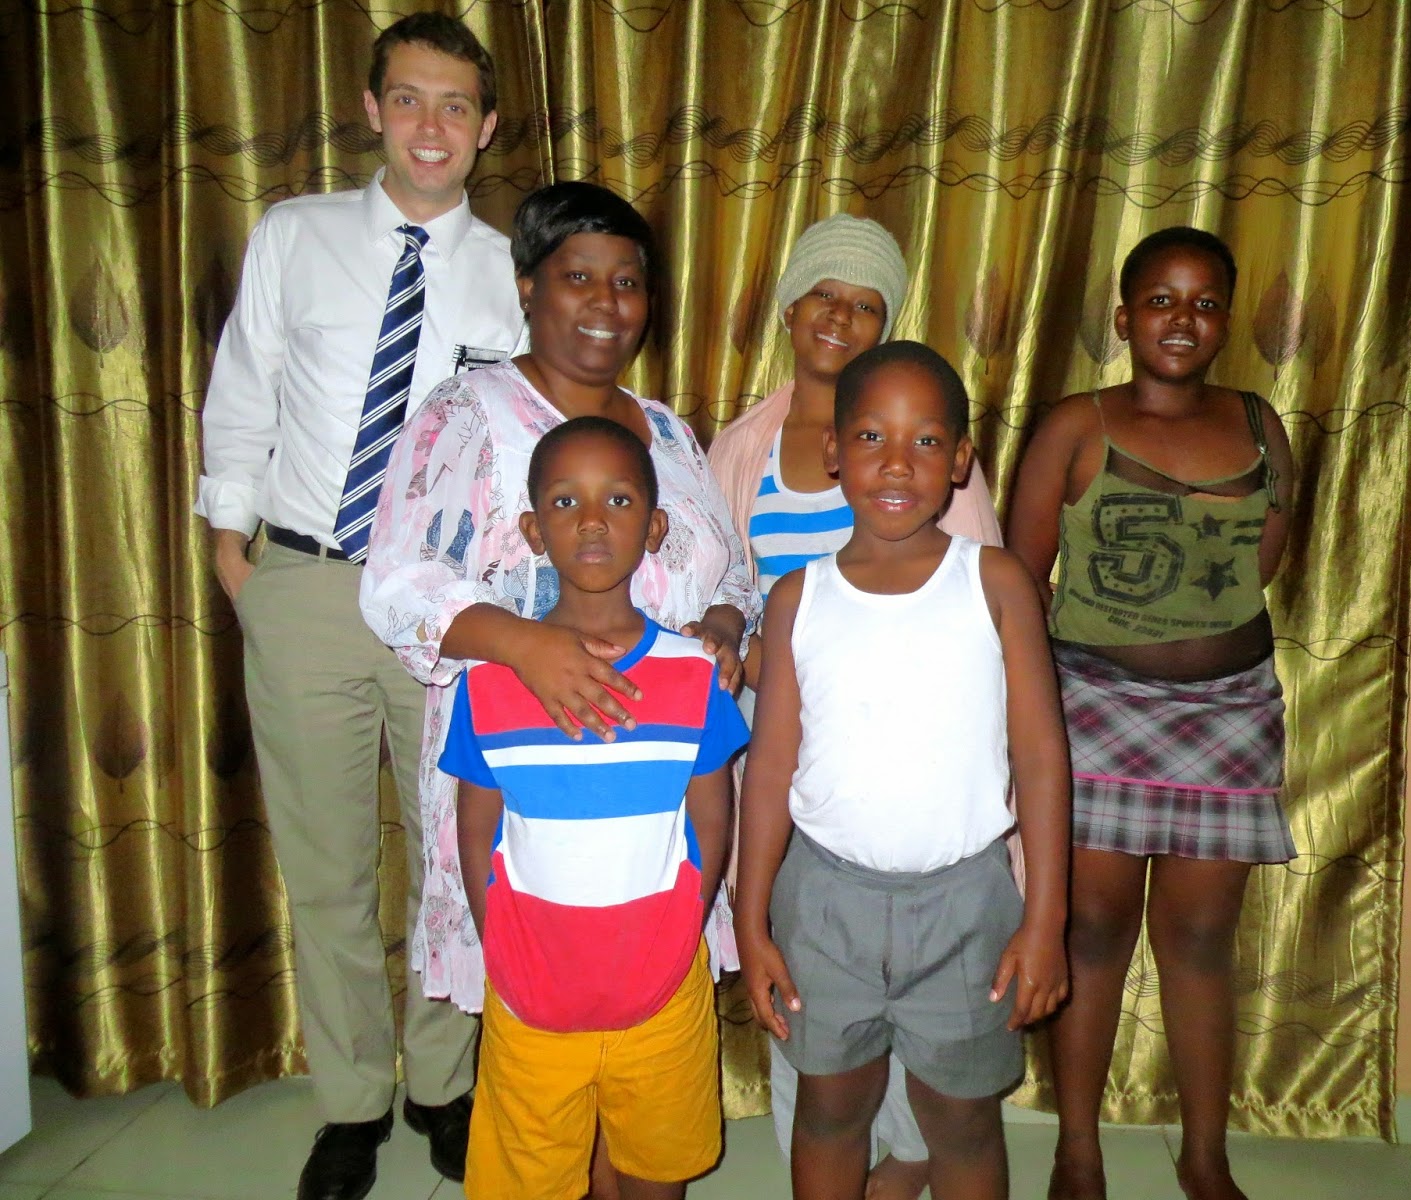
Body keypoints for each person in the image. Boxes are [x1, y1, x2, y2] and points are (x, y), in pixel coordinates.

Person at [358, 181, 757, 1196]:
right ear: (529, 287)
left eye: (627, 282)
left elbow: (729, 569)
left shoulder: (664, 433)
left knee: (644, 1043)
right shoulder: (468, 414)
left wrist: (723, 625)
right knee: (551, 1053)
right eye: (578, 276)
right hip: (531, 791)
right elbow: (396, 581)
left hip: (657, 799)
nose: (605, 303)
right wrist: (525, 646)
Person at [194, 14, 517, 1199]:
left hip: (446, 605)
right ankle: (350, 1105)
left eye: (456, 106)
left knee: (452, 856)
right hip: (305, 581)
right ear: (374, 109)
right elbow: (244, 391)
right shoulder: (297, 235)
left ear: (486, 128)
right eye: (410, 99)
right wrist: (234, 552)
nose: (432, 126)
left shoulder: (512, 272)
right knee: (327, 867)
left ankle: (442, 1083)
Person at [708, 213, 1003, 1198]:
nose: (839, 316)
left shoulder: (921, 455)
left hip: (912, 765)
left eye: (865, 304)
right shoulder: (742, 445)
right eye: (823, 295)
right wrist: (734, 638)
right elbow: (723, 581)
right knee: (815, 994)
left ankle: (908, 1156)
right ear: (789, 307)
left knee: (927, 1012)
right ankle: (836, 1150)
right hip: (787, 752)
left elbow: (977, 623)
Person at [735, 342, 1071, 1200]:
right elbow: (769, 770)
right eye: (871, 437)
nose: (896, 462)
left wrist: (1045, 919)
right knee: (830, 1110)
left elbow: (1042, 761)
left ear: (960, 460)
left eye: (925, 441)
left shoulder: (995, 584)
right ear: (833, 453)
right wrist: (750, 919)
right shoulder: (796, 600)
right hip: (823, 902)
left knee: (960, 1122)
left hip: (966, 903)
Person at [1005, 227, 1298, 1200]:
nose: (1183, 319)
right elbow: (1017, 579)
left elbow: (1260, 565)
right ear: (1124, 317)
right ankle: (1077, 1150)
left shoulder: (1260, 424)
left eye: (1205, 302)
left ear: (1226, 321)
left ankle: (1205, 1155)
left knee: (1201, 941)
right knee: (1090, 934)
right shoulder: (1073, 425)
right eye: (1161, 300)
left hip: (1228, 713)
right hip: (1093, 707)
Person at [438, 416, 747, 1199]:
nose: (593, 521)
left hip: (662, 986)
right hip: (531, 992)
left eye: (618, 499)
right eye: (566, 501)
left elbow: (713, 816)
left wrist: (684, 922)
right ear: (533, 531)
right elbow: (475, 831)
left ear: (655, 527)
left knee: (656, 1170)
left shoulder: (693, 674)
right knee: (529, 1177)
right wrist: (502, 946)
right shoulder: (490, 682)